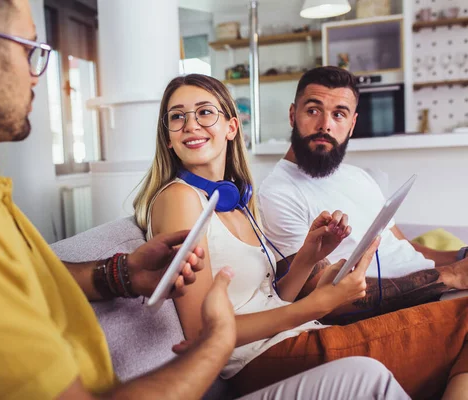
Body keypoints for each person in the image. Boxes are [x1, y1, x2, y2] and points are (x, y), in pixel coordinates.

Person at [0, 1, 411, 399]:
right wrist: (218, 340)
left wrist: (121, 274)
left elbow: (32, 275)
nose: (41, 75)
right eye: (34, 50)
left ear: (230, 126)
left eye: (206, 113)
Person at [133, 72, 468, 399]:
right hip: (261, 358)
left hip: (297, 335)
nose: (191, 125)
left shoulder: (236, 202)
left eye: (205, 112)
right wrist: (316, 305)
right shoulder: (179, 198)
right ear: (168, 137)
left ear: (231, 127)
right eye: (178, 117)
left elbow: (269, 297)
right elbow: (203, 333)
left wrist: (308, 255)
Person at [257, 66, 468, 320]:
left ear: (352, 124)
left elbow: (404, 247)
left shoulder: (358, 176)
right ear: (293, 115)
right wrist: (450, 276)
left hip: (438, 288)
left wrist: (461, 257)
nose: (325, 125)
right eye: (313, 111)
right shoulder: (277, 194)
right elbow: (317, 296)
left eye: (339, 115)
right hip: (402, 308)